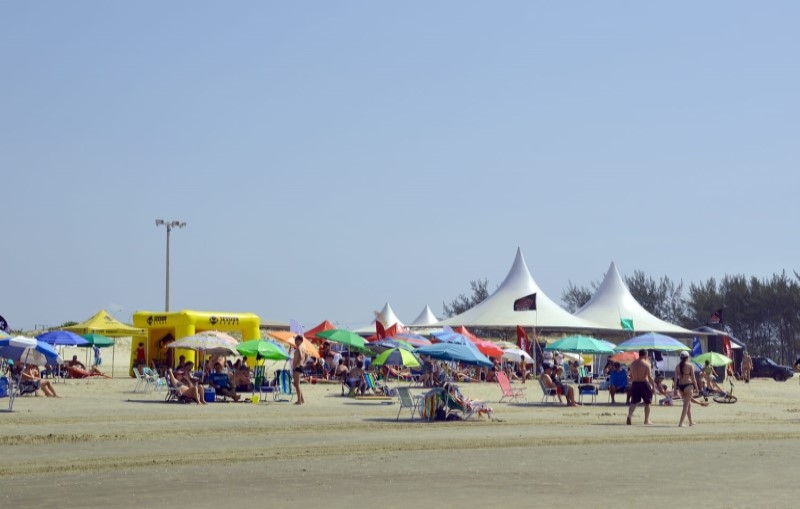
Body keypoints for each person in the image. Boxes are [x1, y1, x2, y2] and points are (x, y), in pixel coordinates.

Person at [626, 349, 654, 425]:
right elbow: (649, 376)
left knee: (634, 401)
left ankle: (629, 416)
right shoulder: (647, 364)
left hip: (635, 383)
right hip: (644, 383)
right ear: (645, 355)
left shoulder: (633, 364)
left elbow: (631, 377)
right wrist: (654, 386)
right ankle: (646, 420)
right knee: (647, 403)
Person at [676, 350, 700, 427]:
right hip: (688, 386)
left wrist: (675, 390)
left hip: (681, 387)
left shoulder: (677, 366)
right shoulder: (690, 366)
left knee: (688, 405)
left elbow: (676, 378)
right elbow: (693, 378)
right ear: (687, 357)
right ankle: (680, 423)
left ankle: (690, 422)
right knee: (686, 405)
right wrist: (697, 387)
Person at [292, 335, 305, 405]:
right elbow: (306, 356)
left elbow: (300, 356)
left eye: (296, 340)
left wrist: (297, 364)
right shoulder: (302, 348)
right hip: (300, 366)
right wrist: (303, 363)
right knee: (297, 384)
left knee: (296, 384)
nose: (295, 342)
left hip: (298, 367)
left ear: (299, 340)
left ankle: (299, 401)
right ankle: (301, 399)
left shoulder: (299, 347)